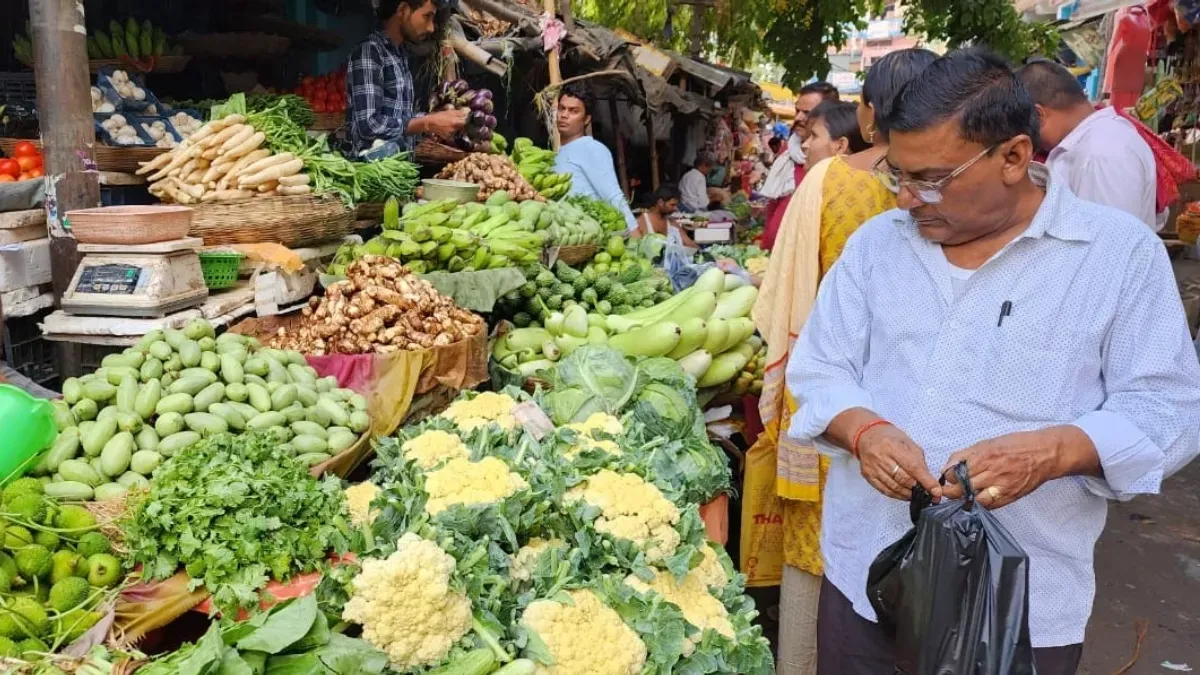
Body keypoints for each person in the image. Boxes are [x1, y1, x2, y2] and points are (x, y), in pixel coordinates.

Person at [787, 48, 1200, 675]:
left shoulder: (1117, 256)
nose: (906, 200)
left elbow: (1169, 410)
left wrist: (1056, 451)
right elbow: (819, 367)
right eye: (895, 175)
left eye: (929, 180)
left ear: (1013, 156)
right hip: (866, 575)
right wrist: (863, 430)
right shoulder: (876, 247)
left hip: (1021, 605)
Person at [749, 49, 936, 675]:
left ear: (868, 113)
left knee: (821, 553)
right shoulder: (967, 190)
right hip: (919, 418)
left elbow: (782, 302)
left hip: (835, 407)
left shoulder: (832, 182)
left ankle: (804, 660)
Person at [1016, 59, 1157, 229]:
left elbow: (1109, 243)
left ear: (1039, 115)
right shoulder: (1091, 143)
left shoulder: (1102, 151)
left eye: (1026, 130)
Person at [346, 0, 467, 157]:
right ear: (402, 10)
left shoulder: (399, 54)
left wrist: (434, 118)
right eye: (427, 16)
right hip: (372, 175)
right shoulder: (370, 53)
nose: (431, 27)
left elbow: (400, 120)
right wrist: (427, 123)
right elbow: (369, 124)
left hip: (398, 174)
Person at [762, 83, 841, 249]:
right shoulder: (787, 152)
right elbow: (774, 204)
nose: (798, 118)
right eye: (797, 110)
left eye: (807, 113)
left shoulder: (833, 162)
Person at [553, 83, 637, 231]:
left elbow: (613, 196)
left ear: (586, 119)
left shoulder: (591, 148)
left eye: (573, 111)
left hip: (591, 236)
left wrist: (635, 235)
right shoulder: (557, 153)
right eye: (561, 108)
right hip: (568, 238)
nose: (564, 115)